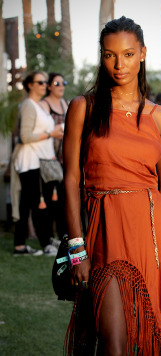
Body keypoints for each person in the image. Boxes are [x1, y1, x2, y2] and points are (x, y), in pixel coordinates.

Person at [63, 16, 161, 355]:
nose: (119, 64)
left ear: (143, 54)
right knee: (113, 345)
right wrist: (78, 252)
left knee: (148, 343)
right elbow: (71, 179)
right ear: (102, 56)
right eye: (109, 55)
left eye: (128, 54)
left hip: (153, 239)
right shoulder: (84, 108)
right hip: (104, 236)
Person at [12, 71, 64, 255]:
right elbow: (25, 137)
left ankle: (21, 245)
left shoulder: (39, 106)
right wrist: (51, 134)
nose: (44, 85)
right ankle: (46, 243)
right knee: (38, 204)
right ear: (30, 85)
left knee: (27, 204)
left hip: (42, 161)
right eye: (40, 82)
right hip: (30, 162)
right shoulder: (28, 105)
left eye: (44, 82)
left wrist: (55, 131)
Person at [41, 72, 69, 242]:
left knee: (65, 198)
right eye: (57, 83)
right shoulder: (43, 105)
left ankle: (64, 234)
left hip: (64, 158)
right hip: (48, 159)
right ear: (49, 86)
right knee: (51, 199)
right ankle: (49, 236)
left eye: (63, 82)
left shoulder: (66, 104)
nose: (61, 86)